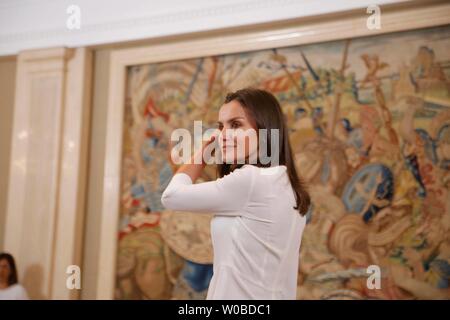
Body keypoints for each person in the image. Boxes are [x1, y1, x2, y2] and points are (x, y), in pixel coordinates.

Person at [161, 87, 310, 299]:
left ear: (265, 129)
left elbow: (171, 196)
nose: (222, 136)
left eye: (236, 125)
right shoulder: (287, 186)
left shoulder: (251, 181)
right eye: (221, 127)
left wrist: (204, 151)